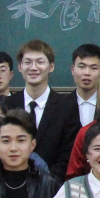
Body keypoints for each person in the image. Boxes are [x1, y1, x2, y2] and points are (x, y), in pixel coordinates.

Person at [8, 40, 81, 179]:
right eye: (28, 62)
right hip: (13, 182)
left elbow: (68, 155)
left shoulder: (67, 107)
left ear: (51, 67)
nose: (33, 67)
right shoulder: (8, 105)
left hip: (54, 185)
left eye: (40, 62)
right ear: (19, 67)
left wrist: (46, 183)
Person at [70, 44, 100, 125]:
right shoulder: (61, 105)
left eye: (93, 68)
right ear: (73, 70)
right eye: (81, 67)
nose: (87, 73)